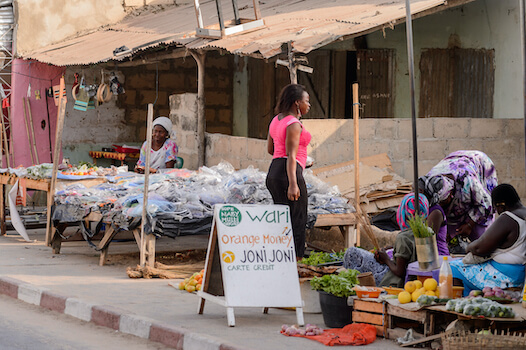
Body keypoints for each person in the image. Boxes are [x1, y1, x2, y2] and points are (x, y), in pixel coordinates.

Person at [450, 184, 526, 296]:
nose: (498, 212)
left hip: (505, 275)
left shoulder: (509, 218)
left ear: (502, 205)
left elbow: (479, 248)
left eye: (496, 208)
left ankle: (458, 306)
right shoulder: (523, 213)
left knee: (453, 268)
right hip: (519, 272)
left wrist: (468, 247)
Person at [342, 193, 430, 287]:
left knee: (351, 252)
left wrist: (386, 259)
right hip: (414, 279)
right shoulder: (427, 232)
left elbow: (400, 272)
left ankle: (353, 287)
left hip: (394, 281)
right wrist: (391, 249)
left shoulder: (404, 237)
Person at [265, 84, 311, 258]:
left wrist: (302, 162)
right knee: (297, 220)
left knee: (282, 221)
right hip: (288, 174)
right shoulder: (293, 124)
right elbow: (291, 155)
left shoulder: (276, 120)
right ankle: (296, 262)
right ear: (297, 103)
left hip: (274, 173)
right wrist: (293, 184)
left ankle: (281, 257)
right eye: (307, 101)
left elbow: (272, 150)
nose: (309, 105)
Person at [419, 150, 498, 250]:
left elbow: (487, 204)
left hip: (478, 163)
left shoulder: (467, 181)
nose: (442, 205)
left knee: (481, 236)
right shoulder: (430, 183)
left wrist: (469, 224)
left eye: (443, 202)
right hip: (453, 161)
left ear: (451, 193)